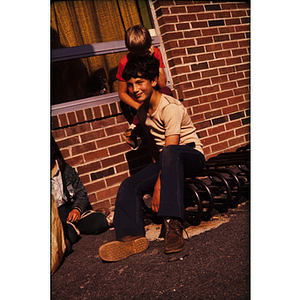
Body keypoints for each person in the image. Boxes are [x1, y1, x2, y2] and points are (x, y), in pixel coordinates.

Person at [99, 55, 205, 262]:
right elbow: (154, 144)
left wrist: (158, 186)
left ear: (154, 81)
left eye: (140, 82)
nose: (135, 89)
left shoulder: (170, 108)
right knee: (129, 184)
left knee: (169, 153)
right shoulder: (141, 109)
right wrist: (155, 172)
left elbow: (171, 147)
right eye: (130, 85)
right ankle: (129, 237)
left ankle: (173, 226)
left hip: (191, 156)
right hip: (169, 160)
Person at [51, 135, 111, 255]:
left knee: (100, 222)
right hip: (54, 216)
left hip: (70, 210)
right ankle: (67, 236)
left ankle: (73, 227)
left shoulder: (67, 171)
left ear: (52, 150)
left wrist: (77, 209)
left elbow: (81, 194)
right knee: (68, 235)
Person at [116, 24, 172, 148]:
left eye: (144, 52)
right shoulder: (124, 62)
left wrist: (152, 60)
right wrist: (140, 107)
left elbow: (161, 83)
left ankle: (133, 128)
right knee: (152, 136)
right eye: (137, 54)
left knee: (167, 91)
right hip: (139, 99)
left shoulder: (155, 53)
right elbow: (122, 93)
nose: (141, 56)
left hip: (156, 98)